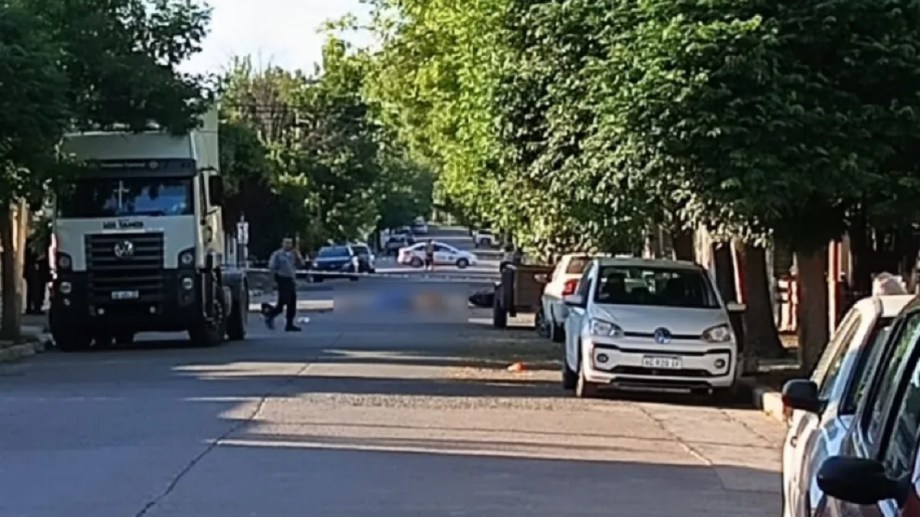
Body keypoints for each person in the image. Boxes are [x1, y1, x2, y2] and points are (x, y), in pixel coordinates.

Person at [263, 237, 305, 331]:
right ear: (282, 244)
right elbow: (271, 266)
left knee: (292, 302)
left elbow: (301, 265)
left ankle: (289, 324)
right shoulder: (277, 254)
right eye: (286, 243)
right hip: (282, 280)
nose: (288, 245)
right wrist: (272, 280)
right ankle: (269, 314)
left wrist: (298, 256)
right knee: (283, 301)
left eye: (290, 243)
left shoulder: (293, 254)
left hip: (291, 280)